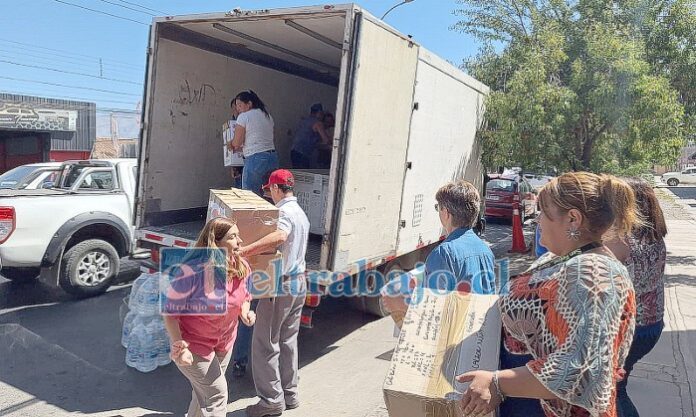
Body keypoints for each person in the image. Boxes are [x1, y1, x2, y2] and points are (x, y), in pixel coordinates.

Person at [458, 172, 638, 417]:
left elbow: (583, 370)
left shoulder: (593, 272)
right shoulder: (562, 259)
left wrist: (497, 382)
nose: (537, 220)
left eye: (543, 212)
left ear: (573, 219)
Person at [163, 217, 256, 417]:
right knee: (216, 395)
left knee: (202, 395)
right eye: (233, 237)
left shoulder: (242, 266)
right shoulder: (191, 272)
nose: (240, 241)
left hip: (224, 342)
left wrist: (245, 312)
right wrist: (179, 345)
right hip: (193, 345)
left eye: (238, 235)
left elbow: (245, 296)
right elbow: (170, 314)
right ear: (216, 243)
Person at [239, 169, 310, 417]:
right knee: (288, 341)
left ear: (278, 189)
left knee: (264, 343)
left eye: (270, 190)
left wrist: (245, 251)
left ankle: (270, 401)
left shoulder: (284, 212)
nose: (270, 195)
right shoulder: (301, 213)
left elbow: (279, 236)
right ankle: (290, 395)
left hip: (281, 285)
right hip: (299, 283)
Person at [382, 180, 496, 326]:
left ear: (446, 213)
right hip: (477, 332)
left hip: (453, 339)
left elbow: (434, 311)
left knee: (392, 295)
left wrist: (400, 303)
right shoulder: (485, 250)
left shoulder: (444, 253)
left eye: (438, 208)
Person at [605, 177, 667, 417]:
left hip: (629, 329)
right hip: (651, 326)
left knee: (614, 391)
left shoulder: (623, 241)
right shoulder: (655, 239)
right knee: (620, 386)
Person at [231, 90, 279, 196]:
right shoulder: (267, 116)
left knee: (250, 197)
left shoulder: (244, 117)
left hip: (255, 159)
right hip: (272, 158)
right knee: (268, 195)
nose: (238, 109)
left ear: (249, 104)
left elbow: (237, 143)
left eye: (239, 105)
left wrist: (231, 144)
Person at [290, 103, 331, 169]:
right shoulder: (318, 123)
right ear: (319, 113)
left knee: (298, 176)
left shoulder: (305, 121)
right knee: (305, 176)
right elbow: (326, 141)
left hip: (294, 151)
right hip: (303, 154)